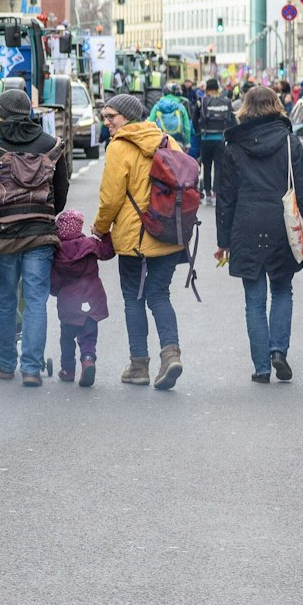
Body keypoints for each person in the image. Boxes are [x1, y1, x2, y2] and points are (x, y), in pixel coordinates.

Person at [215, 86, 303, 383]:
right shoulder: (289, 142)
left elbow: (225, 198)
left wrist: (223, 241)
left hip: (246, 224)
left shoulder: (233, 147)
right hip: (282, 225)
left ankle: (261, 368)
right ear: (276, 106)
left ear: (245, 108)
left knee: (254, 300)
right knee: (283, 289)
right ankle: (278, 352)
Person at [0, 88, 71, 387]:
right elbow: (61, 190)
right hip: (40, 234)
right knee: (36, 301)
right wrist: (47, 212)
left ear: (2, 115)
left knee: (5, 299)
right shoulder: (51, 145)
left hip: (5, 234)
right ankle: (31, 369)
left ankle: (4, 363)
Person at [93, 92, 186, 389]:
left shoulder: (119, 147)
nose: (107, 122)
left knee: (134, 298)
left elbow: (111, 198)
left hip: (135, 237)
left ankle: (139, 366)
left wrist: (99, 228)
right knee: (160, 295)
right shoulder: (167, 141)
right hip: (169, 232)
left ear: (128, 117)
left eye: (112, 116)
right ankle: (171, 355)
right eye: (105, 117)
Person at [50, 209, 115, 387]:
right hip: (91, 300)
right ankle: (88, 360)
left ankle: (68, 370)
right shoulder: (90, 244)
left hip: (69, 303)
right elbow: (109, 251)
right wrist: (104, 234)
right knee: (88, 336)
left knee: (66, 338)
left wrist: (57, 292)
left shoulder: (56, 252)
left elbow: (54, 282)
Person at [194, 78, 234, 201]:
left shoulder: (202, 101)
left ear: (207, 89)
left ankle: (207, 191)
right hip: (220, 138)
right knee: (219, 166)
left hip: (206, 138)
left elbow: (194, 119)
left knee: (206, 166)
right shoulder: (225, 101)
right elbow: (231, 120)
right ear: (217, 89)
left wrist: (199, 132)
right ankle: (216, 191)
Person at [149, 82, 195, 151]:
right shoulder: (180, 107)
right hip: (178, 142)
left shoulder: (157, 107)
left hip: (162, 142)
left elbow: (150, 123)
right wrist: (187, 143)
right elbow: (187, 126)